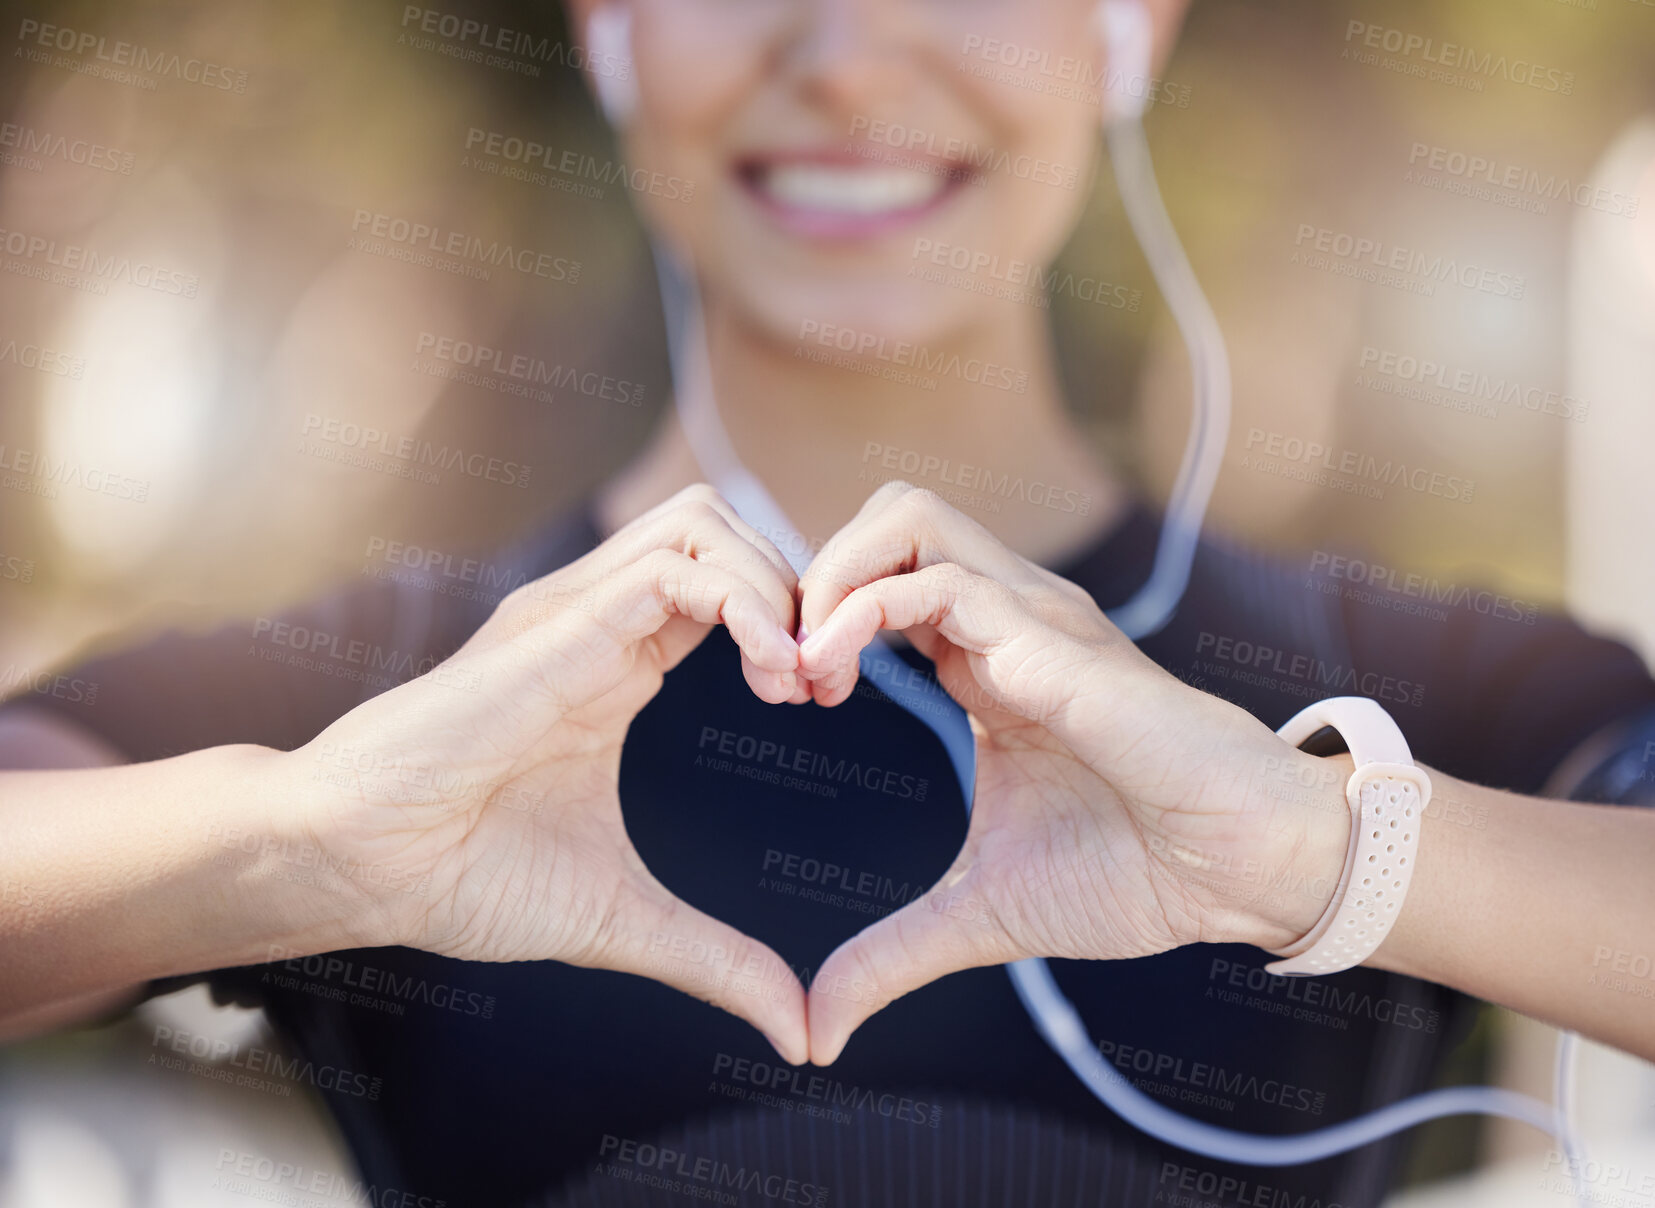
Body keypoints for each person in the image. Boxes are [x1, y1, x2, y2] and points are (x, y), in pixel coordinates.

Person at [3, 1, 1654, 1204]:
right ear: (610, 31)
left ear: (1132, 26)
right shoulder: (374, 695)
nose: (851, 57)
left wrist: (1322, 849)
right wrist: (300, 843)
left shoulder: (1382, 689)